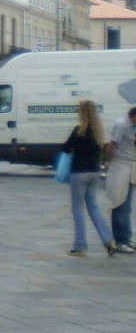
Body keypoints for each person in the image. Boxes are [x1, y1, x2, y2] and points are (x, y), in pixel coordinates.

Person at [62, 100, 117, 256]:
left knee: (78, 208)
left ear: (81, 113)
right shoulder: (98, 132)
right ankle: (109, 240)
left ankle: (80, 246)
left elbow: (65, 148)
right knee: (93, 206)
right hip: (94, 172)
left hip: (79, 172)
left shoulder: (78, 131)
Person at [105, 106, 136, 253]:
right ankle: (120, 240)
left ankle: (127, 238)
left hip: (131, 165)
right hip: (120, 164)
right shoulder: (122, 125)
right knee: (119, 203)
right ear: (133, 116)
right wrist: (108, 163)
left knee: (127, 205)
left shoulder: (133, 126)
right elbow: (112, 146)